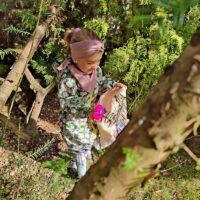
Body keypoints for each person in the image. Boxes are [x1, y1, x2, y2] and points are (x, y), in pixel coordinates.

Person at [57, 28, 125, 178]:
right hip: (74, 121)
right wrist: (89, 106)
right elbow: (66, 101)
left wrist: (111, 85)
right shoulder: (68, 78)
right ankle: (83, 177)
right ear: (76, 58)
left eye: (98, 61)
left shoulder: (95, 70)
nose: (95, 66)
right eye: (90, 62)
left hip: (90, 118)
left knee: (88, 142)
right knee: (82, 148)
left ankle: (73, 167)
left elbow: (99, 82)